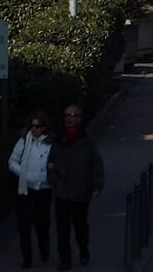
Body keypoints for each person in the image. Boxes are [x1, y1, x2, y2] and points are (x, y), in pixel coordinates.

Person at [47, 103, 105, 269]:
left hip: (81, 191)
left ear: (79, 119)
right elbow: (50, 162)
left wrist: (96, 186)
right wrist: (53, 178)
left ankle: (83, 249)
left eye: (72, 116)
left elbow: (96, 164)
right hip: (62, 192)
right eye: (66, 116)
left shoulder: (87, 141)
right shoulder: (59, 139)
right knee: (62, 230)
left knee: (80, 226)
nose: (68, 119)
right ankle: (65, 260)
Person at [7, 109, 54, 269]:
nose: (34, 129)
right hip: (25, 189)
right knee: (24, 226)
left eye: (38, 126)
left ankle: (44, 248)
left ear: (44, 127)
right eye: (32, 126)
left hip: (43, 189)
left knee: (41, 225)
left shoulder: (51, 143)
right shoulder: (24, 141)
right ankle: (27, 259)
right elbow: (12, 161)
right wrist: (23, 174)